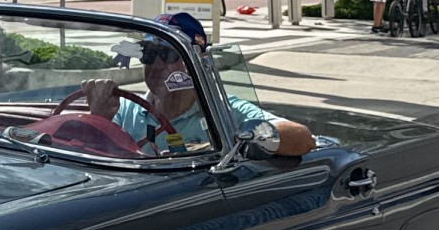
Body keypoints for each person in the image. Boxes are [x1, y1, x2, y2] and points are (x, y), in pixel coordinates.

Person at [63, 29, 314, 159]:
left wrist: (237, 141)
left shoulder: (224, 112)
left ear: (197, 64)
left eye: (170, 55)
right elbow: (96, 164)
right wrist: (99, 119)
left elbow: (303, 138)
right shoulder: (122, 109)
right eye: (149, 54)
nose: (158, 65)